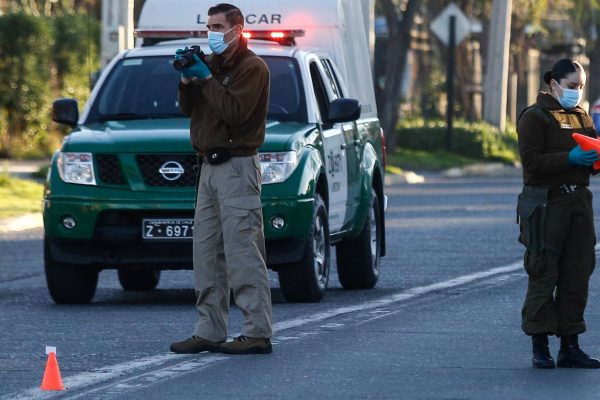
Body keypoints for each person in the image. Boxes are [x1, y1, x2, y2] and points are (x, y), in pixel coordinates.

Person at [169, 3, 273, 355]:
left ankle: (257, 331)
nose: (211, 33)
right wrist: (187, 79)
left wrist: (207, 79)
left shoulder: (253, 67)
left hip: (237, 167)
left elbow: (234, 112)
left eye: (217, 26)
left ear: (237, 29)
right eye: (208, 26)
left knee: (243, 252)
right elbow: (188, 109)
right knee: (207, 253)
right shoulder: (209, 65)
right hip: (208, 169)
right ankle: (209, 329)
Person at [517, 58, 600, 369]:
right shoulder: (535, 118)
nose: (576, 92)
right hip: (546, 203)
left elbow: (589, 160)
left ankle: (570, 344)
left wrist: (593, 162)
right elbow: (532, 164)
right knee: (543, 271)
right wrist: (570, 158)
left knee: (578, 274)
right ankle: (540, 345)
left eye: (580, 87)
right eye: (571, 86)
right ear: (553, 84)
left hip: (579, 202)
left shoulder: (581, 118)